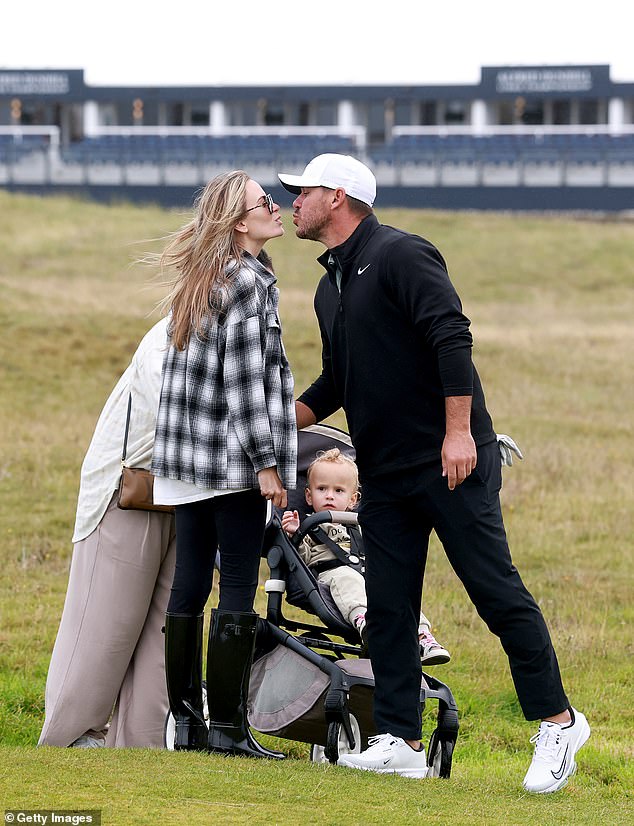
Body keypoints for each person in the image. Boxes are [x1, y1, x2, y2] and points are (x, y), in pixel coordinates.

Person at [277, 153, 590, 791]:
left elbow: (451, 335)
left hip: (451, 464)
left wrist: (457, 433)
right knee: (390, 608)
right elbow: (340, 378)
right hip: (385, 475)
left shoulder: (401, 254)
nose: (292, 204)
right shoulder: (328, 283)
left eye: (302, 192)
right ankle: (400, 739)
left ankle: (559, 723)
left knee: (495, 594)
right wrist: (281, 424)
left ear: (337, 197)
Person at [150, 171, 297, 758]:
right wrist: (266, 460)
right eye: (266, 202)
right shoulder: (248, 281)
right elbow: (245, 380)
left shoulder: (202, 278)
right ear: (241, 223)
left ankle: (186, 724)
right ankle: (229, 730)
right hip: (230, 458)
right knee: (236, 581)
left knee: (189, 582)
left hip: (187, 458)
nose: (277, 206)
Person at [39, 317, 177, 749]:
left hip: (185, 496)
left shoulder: (246, 327)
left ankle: (142, 749)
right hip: (124, 491)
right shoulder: (172, 333)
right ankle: (69, 741)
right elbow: (163, 401)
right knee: (103, 628)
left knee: (163, 634)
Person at [282, 448, 450, 664]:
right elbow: (301, 559)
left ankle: (422, 636)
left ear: (353, 499)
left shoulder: (360, 524)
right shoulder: (308, 524)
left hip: (366, 573)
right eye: (321, 489)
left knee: (398, 589)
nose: (329, 495)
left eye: (338, 491)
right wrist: (295, 533)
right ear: (308, 495)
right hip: (331, 576)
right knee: (347, 578)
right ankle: (365, 622)